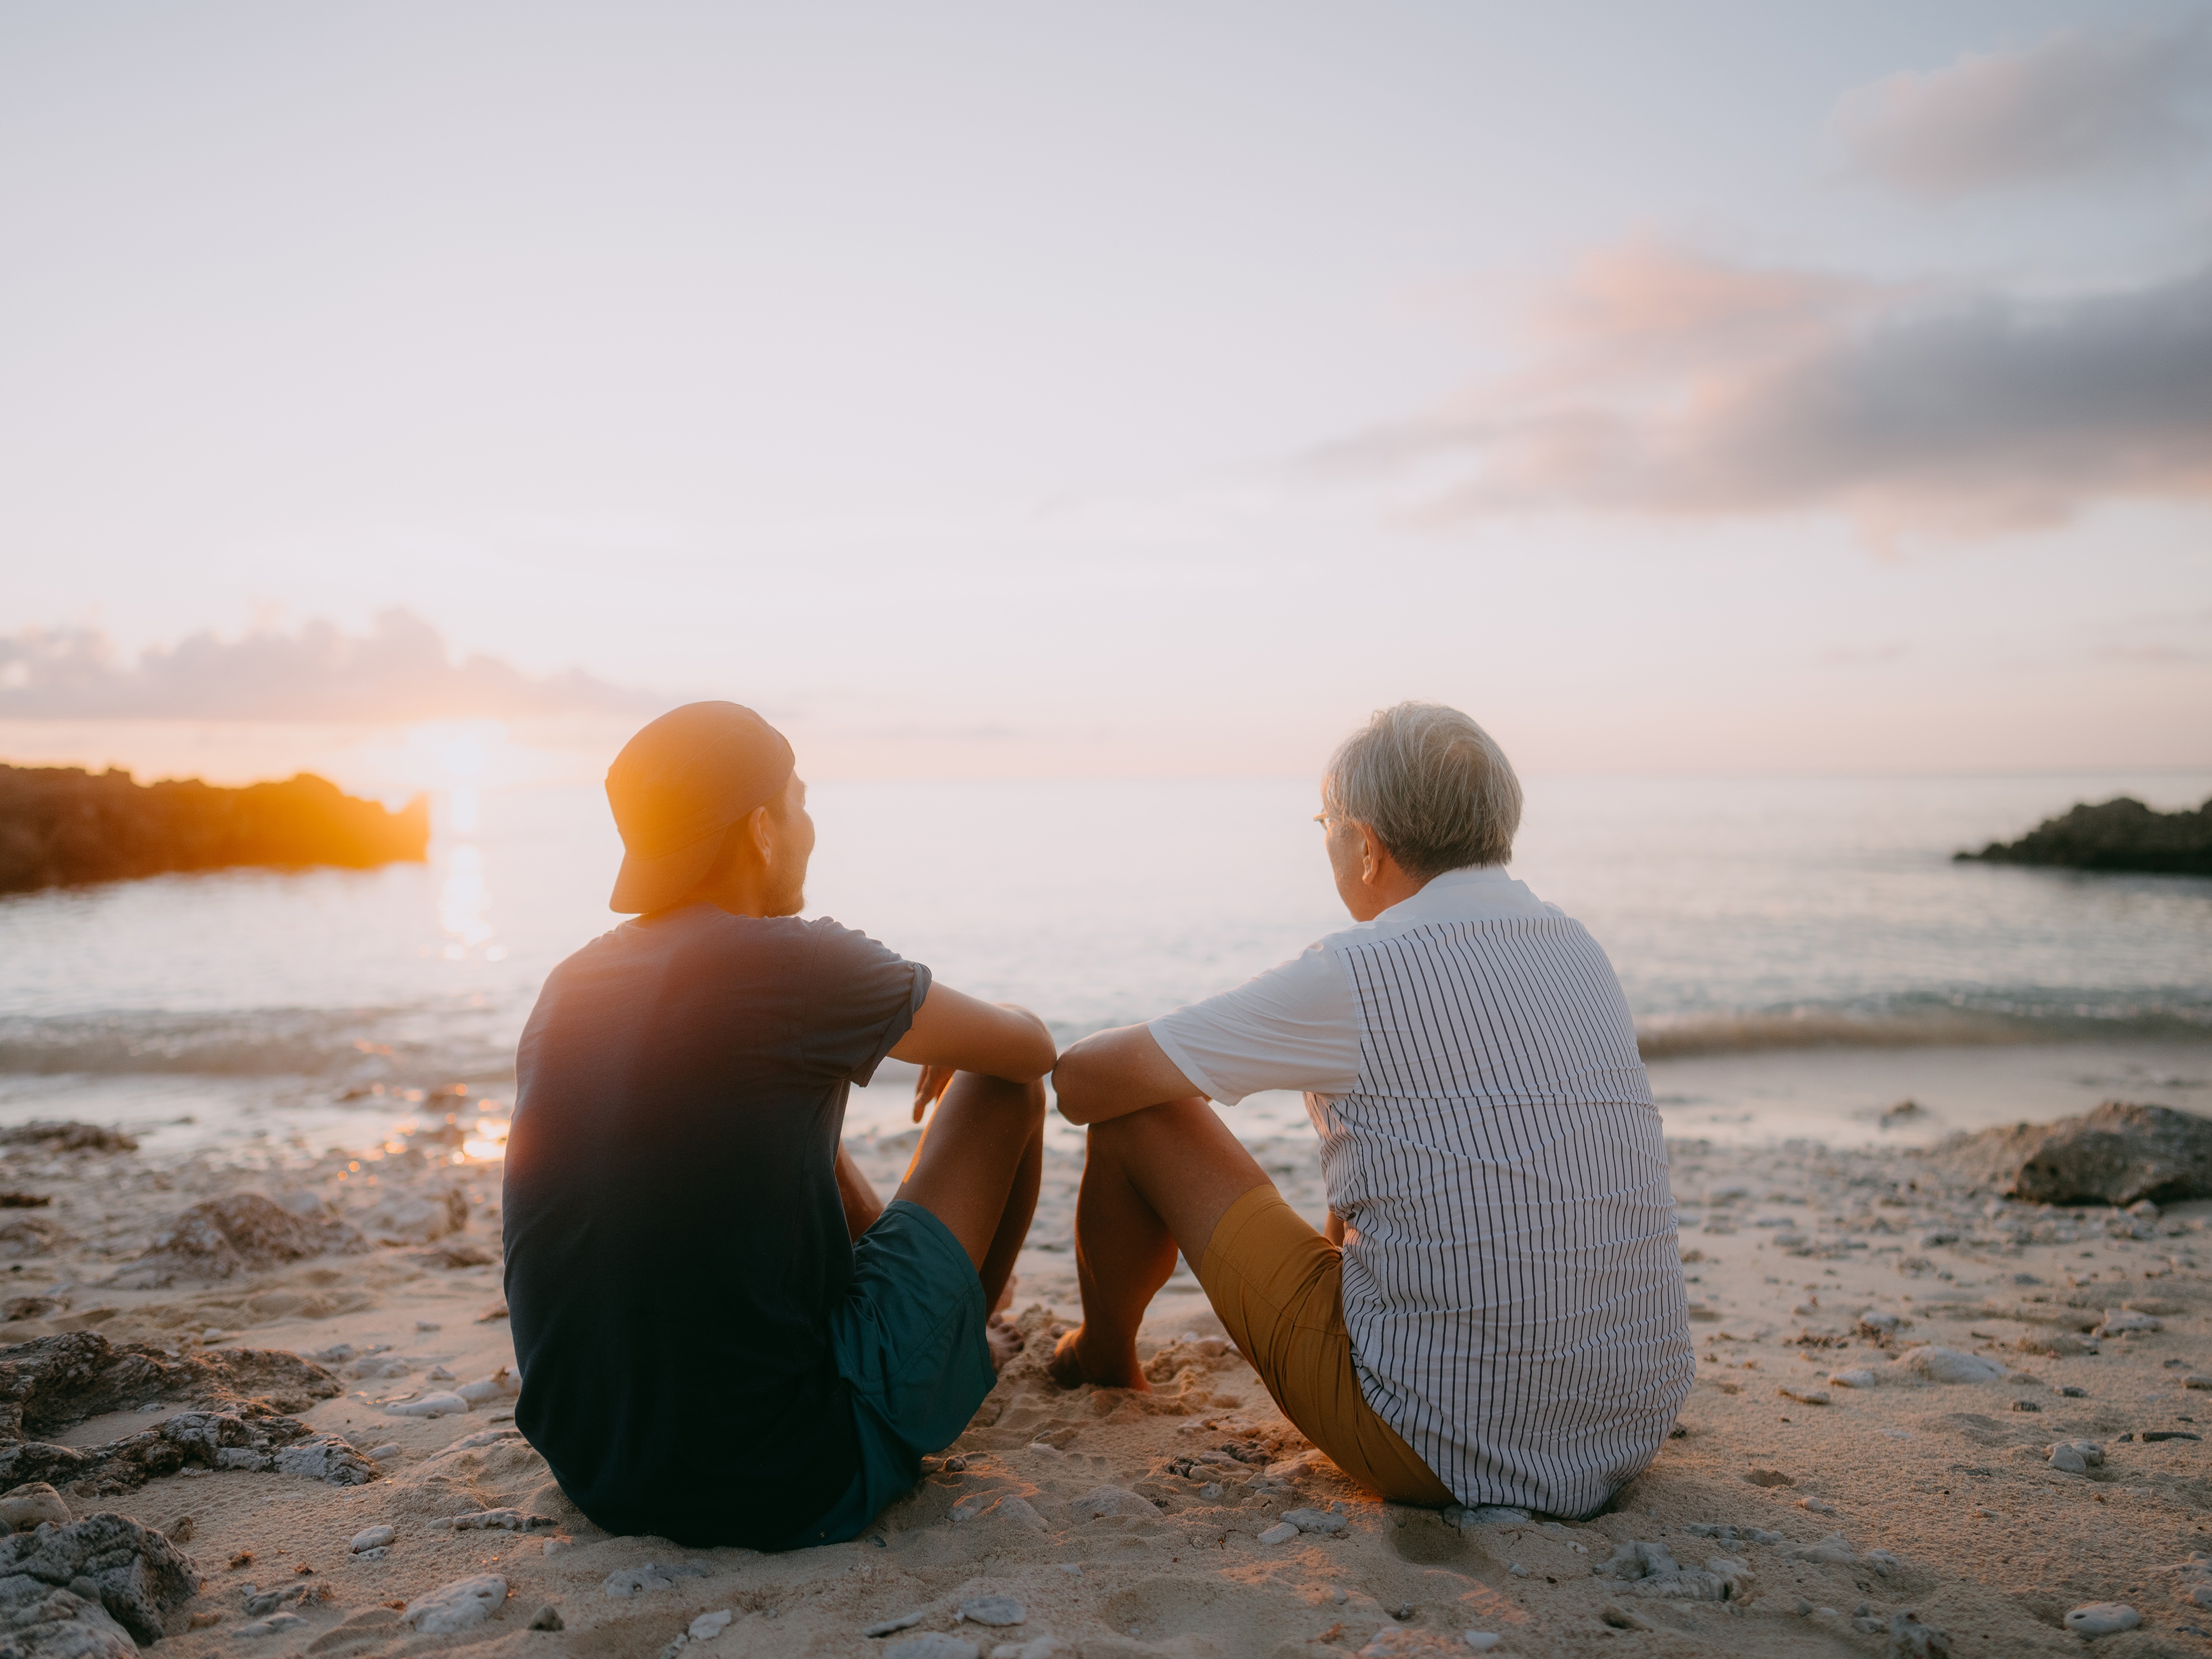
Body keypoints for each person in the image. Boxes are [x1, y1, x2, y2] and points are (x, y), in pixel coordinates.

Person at [1048, 701, 1691, 1520]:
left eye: (1325, 824)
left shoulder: (1353, 973)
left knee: (1140, 1112)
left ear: (1367, 846)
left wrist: (1036, 1045)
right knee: (1394, 1130)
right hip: (1631, 1423)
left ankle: (1103, 1354)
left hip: (1443, 1444)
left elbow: (1085, 1084)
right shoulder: (1579, 949)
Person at [502, 701, 1055, 1551]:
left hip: (597, 1468)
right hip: (789, 1477)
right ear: (762, 829)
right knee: (1005, 1087)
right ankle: (959, 1340)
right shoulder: (798, 962)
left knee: (776, 1122)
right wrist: (994, 1021)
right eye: (800, 802)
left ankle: (931, 1329)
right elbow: (1030, 1049)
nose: (809, 827)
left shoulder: (568, 984)